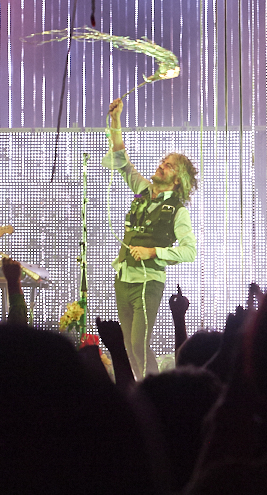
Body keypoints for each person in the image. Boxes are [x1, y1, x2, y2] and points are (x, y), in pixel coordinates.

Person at [103, 97, 198, 379]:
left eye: (168, 166)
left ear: (177, 179)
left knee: (138, 343)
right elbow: (122, 161)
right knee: (128, 345)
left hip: (148, 281)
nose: (161, 166)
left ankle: (152, 392)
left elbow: (189, 251)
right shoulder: (143, 189)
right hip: (124, 276)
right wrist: (116, 120)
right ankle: (139, 388)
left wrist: (154, 251)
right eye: (162, 162)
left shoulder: (178, 211)